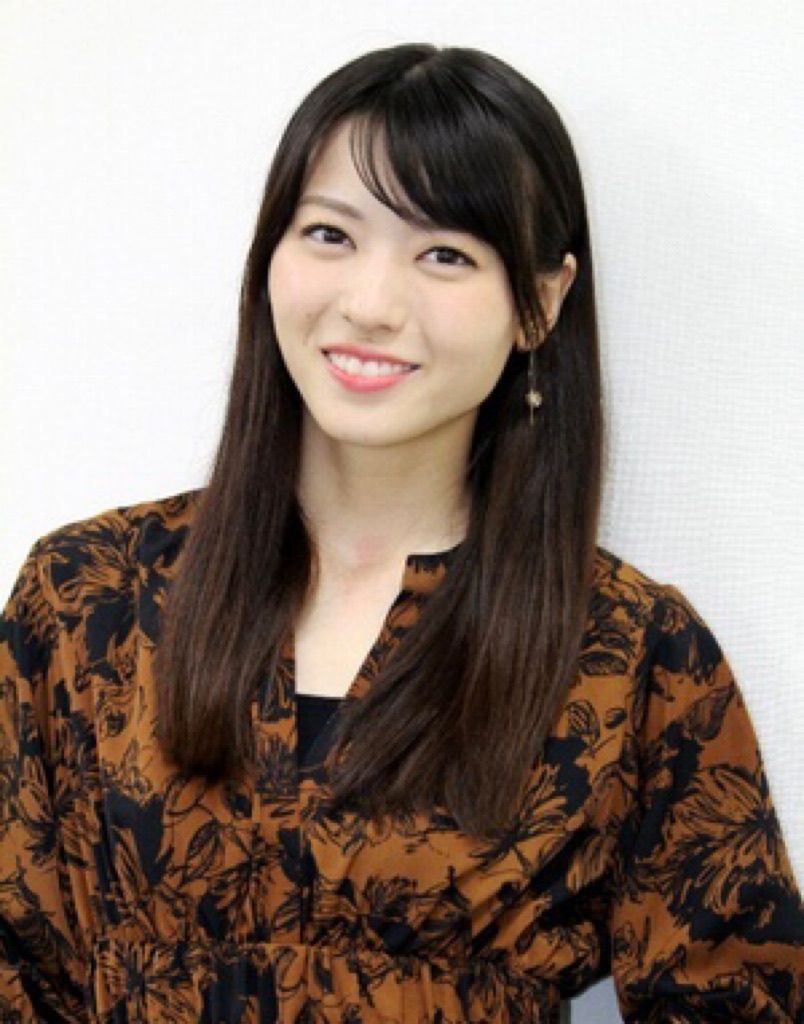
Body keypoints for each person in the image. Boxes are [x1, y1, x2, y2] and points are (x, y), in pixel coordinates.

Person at [1, 41, 802, 1024]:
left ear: (541, 303)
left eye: (445, 255)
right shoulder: (86, 600)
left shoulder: (632, 657)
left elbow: (738, 999)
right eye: (330, 234)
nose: (371, 305)